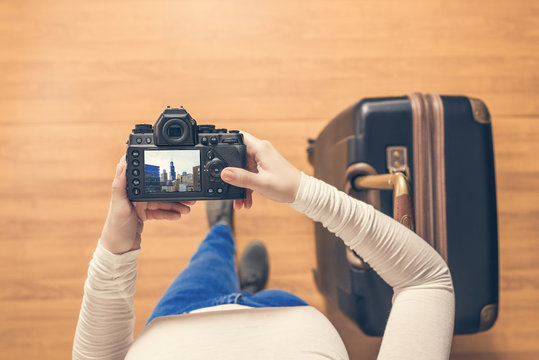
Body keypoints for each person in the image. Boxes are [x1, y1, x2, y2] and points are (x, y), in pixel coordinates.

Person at [73, 132, 455, 360]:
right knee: (218, 262)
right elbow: (426, 280)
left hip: (182, 313)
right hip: (284, 313)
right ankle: (250, 286)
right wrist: (304, 191)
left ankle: (222, 228)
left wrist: (119, 243)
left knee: (211, 253)